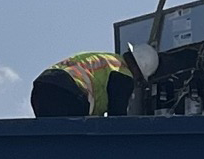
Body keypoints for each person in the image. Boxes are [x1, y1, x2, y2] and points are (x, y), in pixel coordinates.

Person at [29, 41, 157, 118]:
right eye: (139, 80)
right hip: (67, 93)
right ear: (139, 72)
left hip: (43, 86)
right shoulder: (123, 74)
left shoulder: (109, 60)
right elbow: (117, 118)